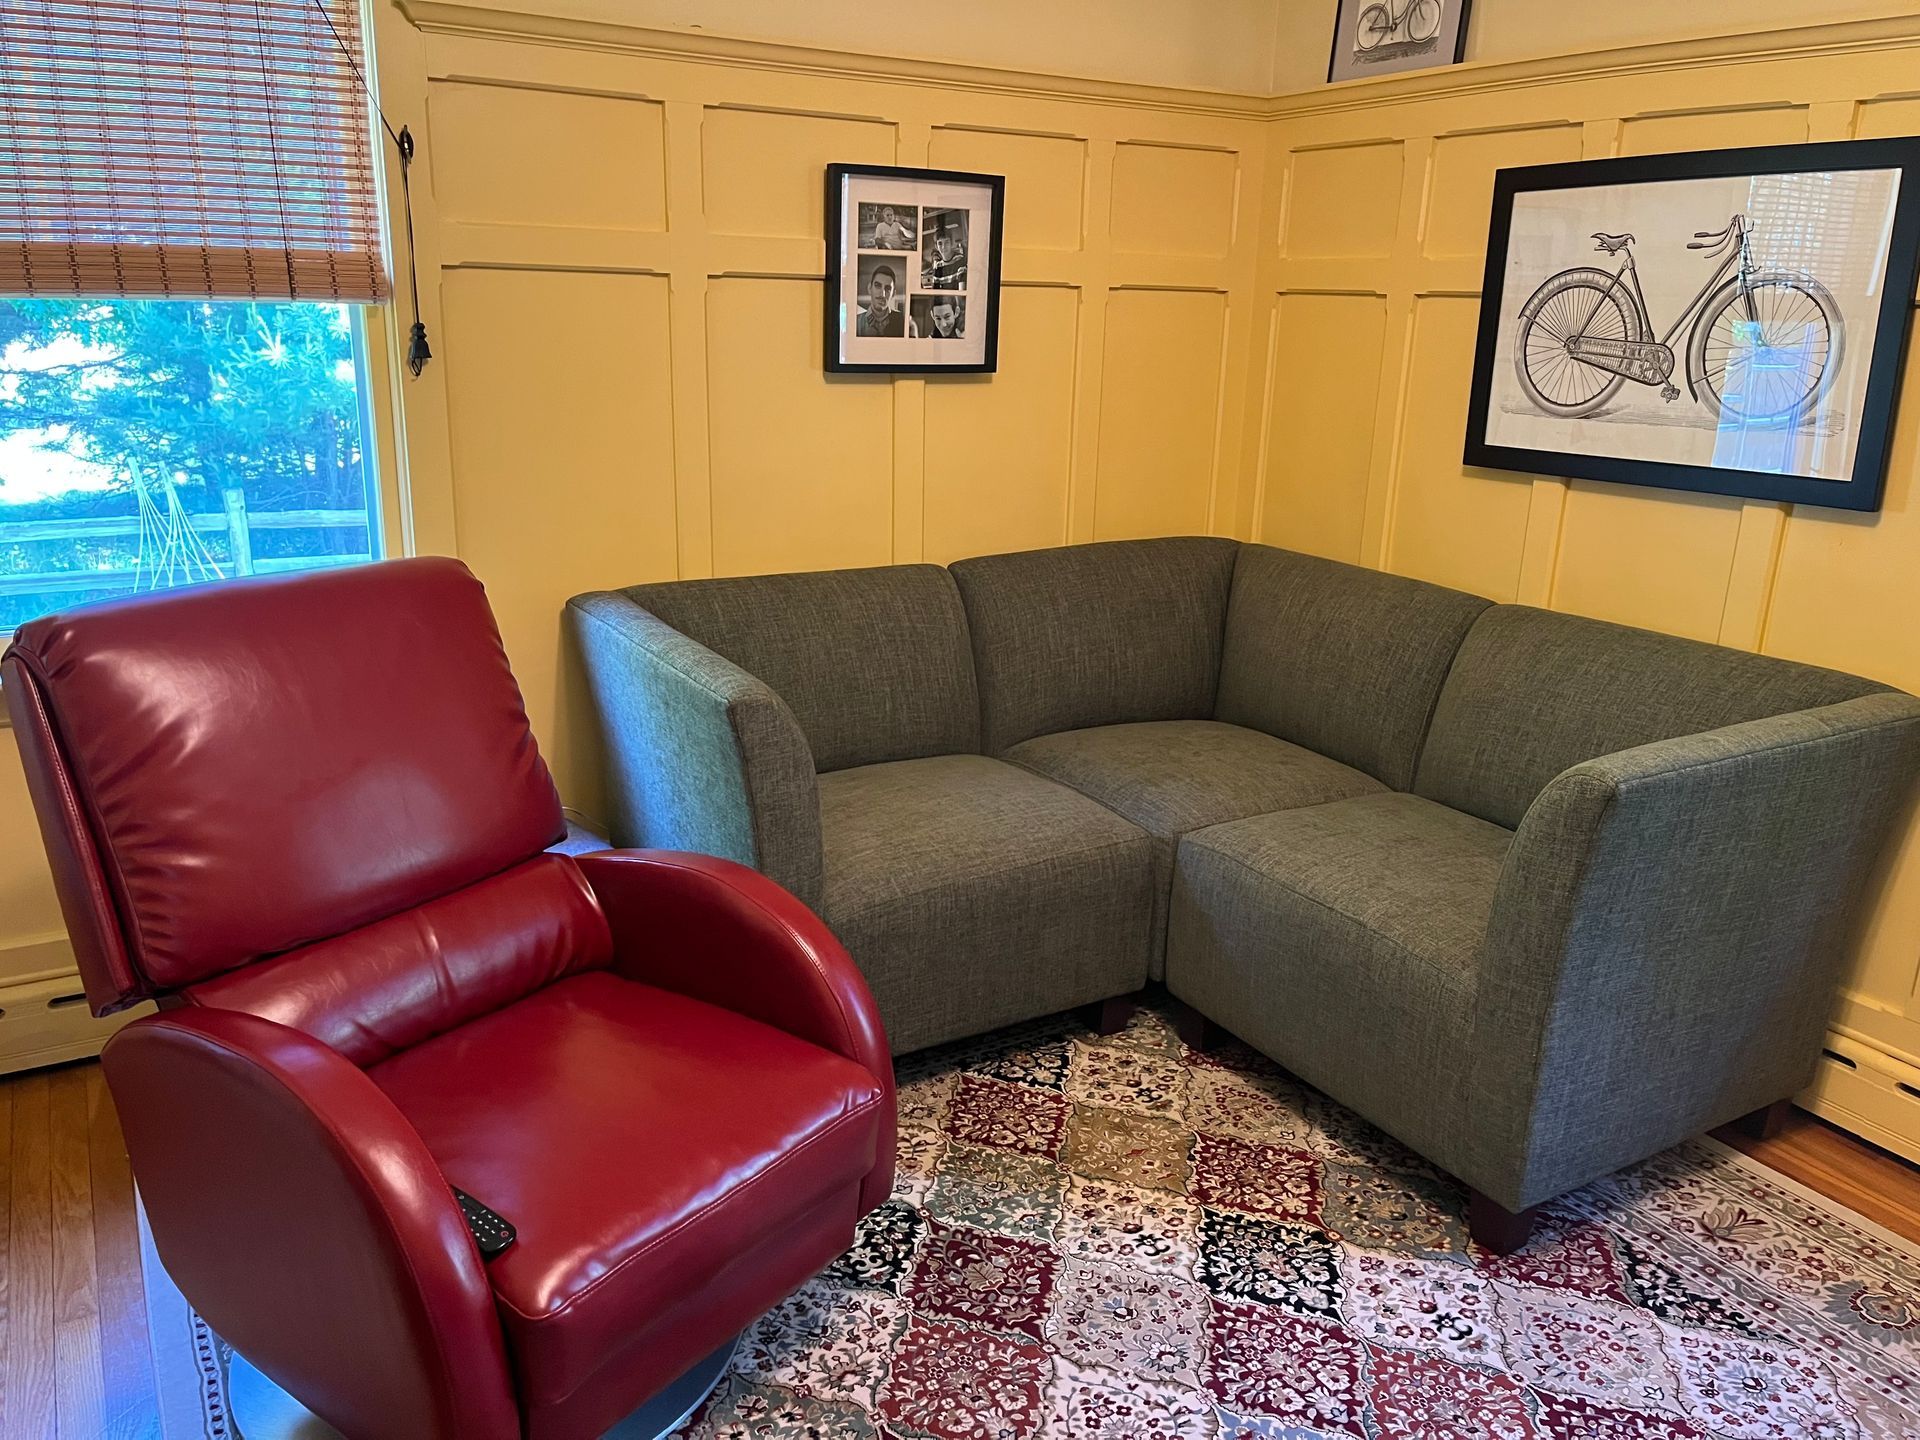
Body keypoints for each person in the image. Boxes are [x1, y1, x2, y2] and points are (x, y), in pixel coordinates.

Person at [856, 264, 907, 337]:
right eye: (877, 286)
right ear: (870, 288)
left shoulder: (903, 321)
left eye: (888, 289)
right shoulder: (856, 322)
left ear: (893, 294)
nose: (882, 294)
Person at [923, 221, 966, 290]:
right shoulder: (938, 266)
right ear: (936, 246)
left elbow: (962, 291)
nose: (943, 247)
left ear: (951, 243)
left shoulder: (960, 260)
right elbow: (935, 293)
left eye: (946, 242)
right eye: (940, 243)